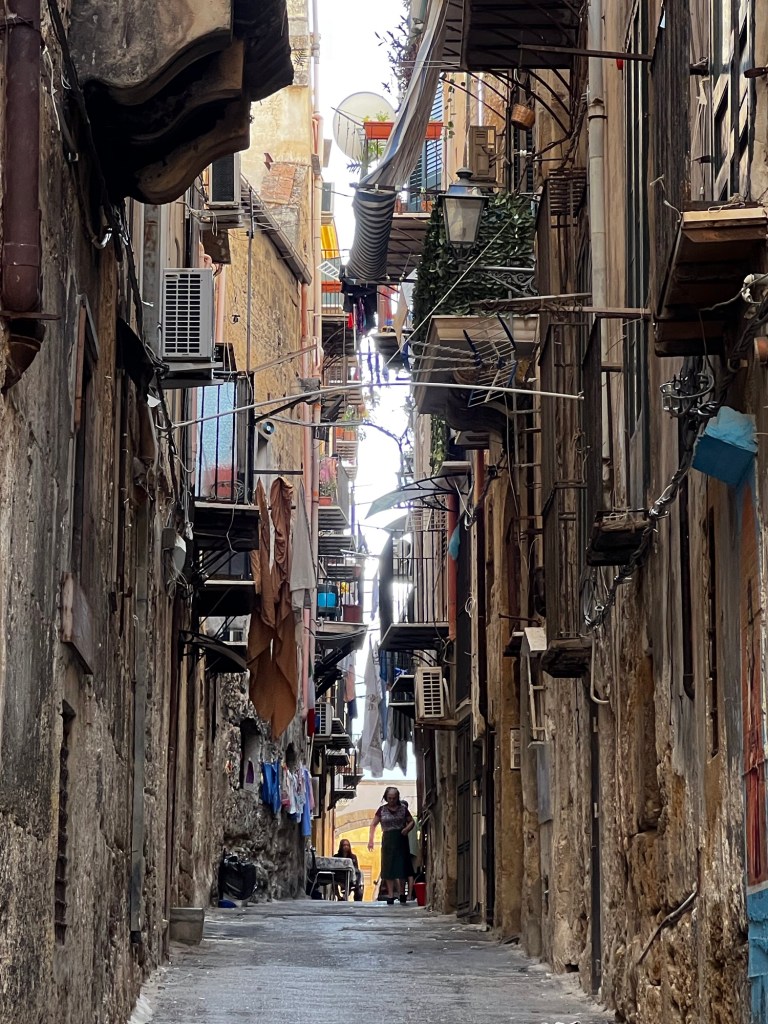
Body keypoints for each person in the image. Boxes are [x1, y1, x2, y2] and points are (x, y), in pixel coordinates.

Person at [368, 786, 415, 905]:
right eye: (389, 798)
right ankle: (390, 895)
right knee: (388, 866)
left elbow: (411, 821)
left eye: (394, 798)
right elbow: (373, 824)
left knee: (401, 866)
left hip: (400, 838)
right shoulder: (382, 810)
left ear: (397, 798)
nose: (392, 800)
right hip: (388, 839)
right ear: (386, 798)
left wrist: (407, 829)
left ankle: (402, 894)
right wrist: (371, 840)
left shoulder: (403, 809)